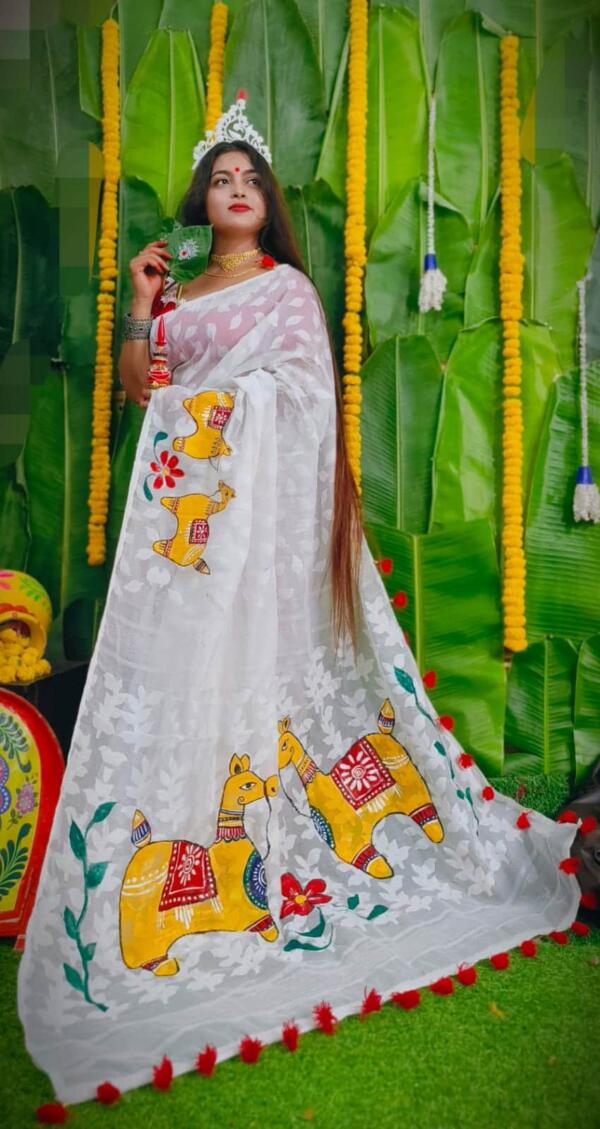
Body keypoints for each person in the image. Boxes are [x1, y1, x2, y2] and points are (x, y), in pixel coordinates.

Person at [17, 92, 579, 1106]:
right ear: (203, 201)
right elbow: (146, 391)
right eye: (219, 179)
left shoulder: (285, 294)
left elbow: (303, 398)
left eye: (248, 179)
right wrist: (143, 304)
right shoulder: (183, 297)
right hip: (193, 556)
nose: (234, 190)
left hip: (257, 546)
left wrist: (231, 402)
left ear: (266, 202)